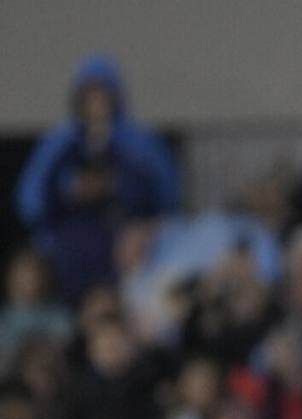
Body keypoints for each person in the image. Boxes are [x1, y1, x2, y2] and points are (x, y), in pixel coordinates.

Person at [15, 54, 179, 305]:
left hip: (124, 248)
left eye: (102, 94)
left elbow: (166, 196)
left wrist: (117, 187)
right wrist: (72, 189)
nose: (96, 103)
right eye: (89, 95)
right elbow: (32, 202)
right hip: (70, 252)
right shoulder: (60, 142)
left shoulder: (138, 142)